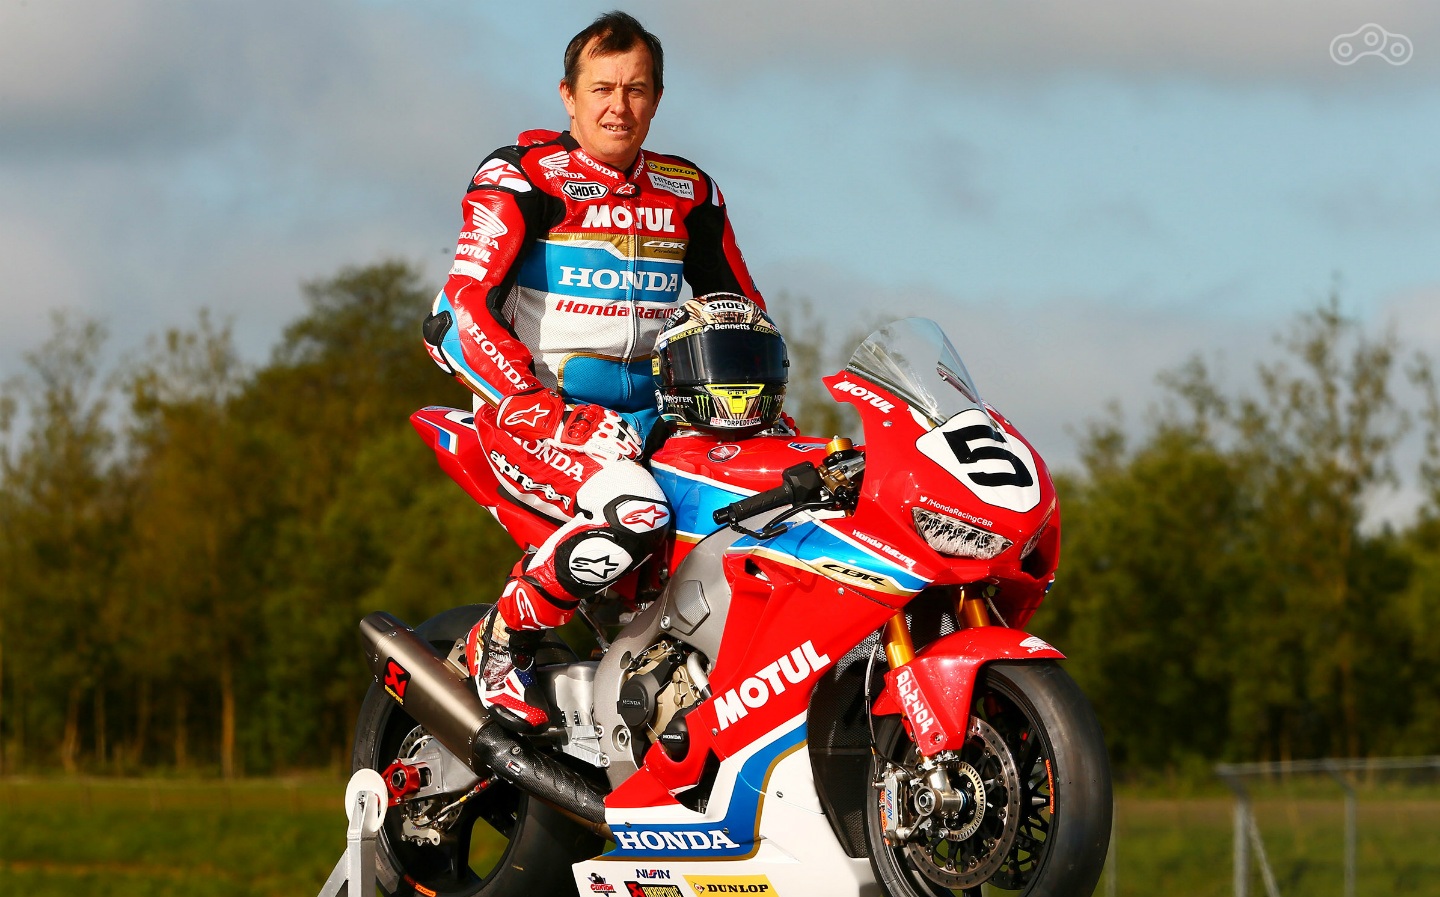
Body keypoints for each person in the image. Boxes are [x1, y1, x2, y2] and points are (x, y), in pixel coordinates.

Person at [421, 11, 766, 732]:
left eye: (635, 89)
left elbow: (740, 312)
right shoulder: (520, 176)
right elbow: (456, 313)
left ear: (657, 98)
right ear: (568, 96)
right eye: (602, 89)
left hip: (658, 418)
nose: (619, 107)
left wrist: (758, 408)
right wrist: (528, 403)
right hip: (538, 415)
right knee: (636, 514)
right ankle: (499, 641)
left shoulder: (689, 190)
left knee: (776, 505)